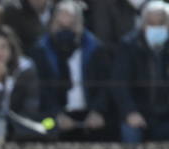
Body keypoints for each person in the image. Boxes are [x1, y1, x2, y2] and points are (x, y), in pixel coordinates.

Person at [112, 0, 169, 143]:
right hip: (140, 113)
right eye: (151, 23)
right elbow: (119, 83)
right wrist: (130, 112)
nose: (156, 28)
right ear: (142, 24)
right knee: (130, 131)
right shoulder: (128, 44)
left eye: (161, 23)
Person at [32, 0, 113, 140]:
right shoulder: (42, 50)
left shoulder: (94, 49)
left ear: (80, 23)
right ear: (52, 23)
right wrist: (56, 114)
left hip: (91, 115)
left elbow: (105, 85)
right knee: (45, 128)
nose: (65, 26)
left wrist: (98, 111)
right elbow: (40, 89)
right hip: (54, 116)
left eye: (71, 22)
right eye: (60, 21)